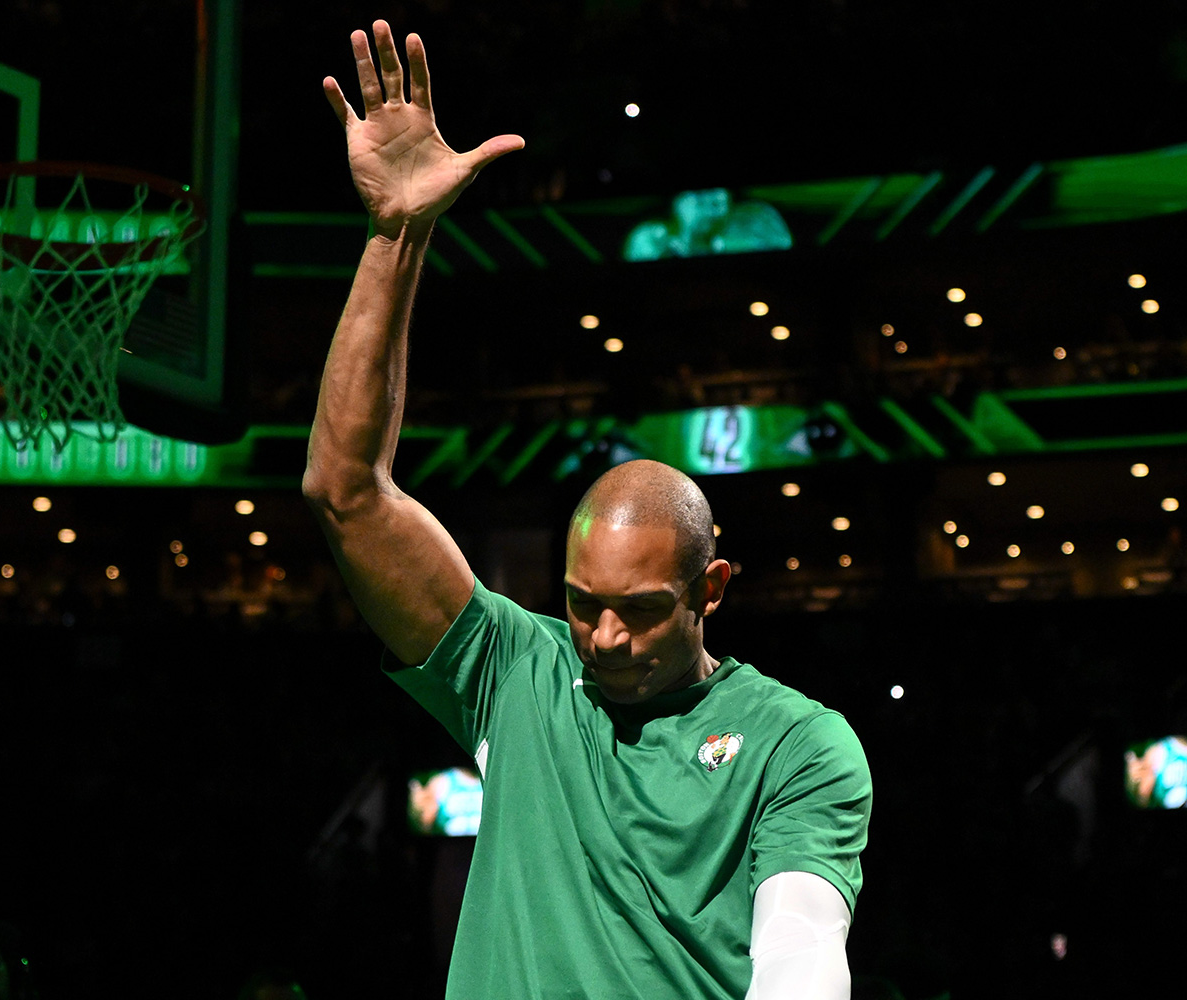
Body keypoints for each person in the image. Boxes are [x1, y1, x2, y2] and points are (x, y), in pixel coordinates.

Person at [304, 21, 872, 999]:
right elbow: (345, 493)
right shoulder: (514, 675)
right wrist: (396, 232)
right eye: (580, 601)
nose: (602, 636)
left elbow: (801, 947)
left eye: (641, 608)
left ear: (712, 587)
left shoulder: (798, 741)